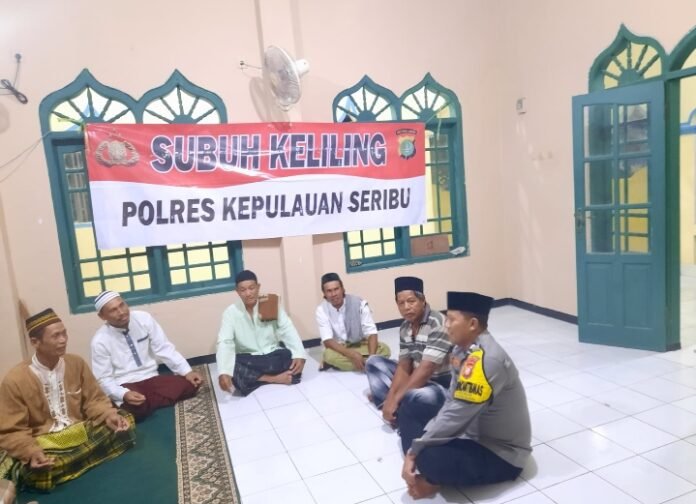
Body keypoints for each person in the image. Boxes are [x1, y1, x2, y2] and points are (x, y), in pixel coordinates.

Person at [399, 292, 532, 499]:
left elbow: (456, 415)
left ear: (472, 324)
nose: (446, 326)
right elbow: (452, 401)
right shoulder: (462, 350)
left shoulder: (487, 360)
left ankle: (429, 476)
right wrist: (422, 441)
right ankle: (421, 459)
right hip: (469, 431)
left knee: (428, 456)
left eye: (451, 320)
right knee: (409, 404)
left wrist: (416, 449)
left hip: (500, 452)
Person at [0, 309, 135, 491]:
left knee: (125, 419)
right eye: (56, 336)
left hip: (79, 430)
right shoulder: (15, 379)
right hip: (44, 442)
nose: (63, 340)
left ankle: (63, 465)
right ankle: (60, 463)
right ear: (35, 342)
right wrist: (31, 452)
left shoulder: (76, 363)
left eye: (64, 333)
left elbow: (94, 400)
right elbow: (12, 430)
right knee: (29, 468)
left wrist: (108, 415)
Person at [90, 290, 202, 421]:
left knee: (190, 386)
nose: (121, 312)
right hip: (126, 384)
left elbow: (164, 348)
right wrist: (124, 394)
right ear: (102, 316)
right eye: (113, 310)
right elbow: (103, 379)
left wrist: (187, 371)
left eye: (122, 305)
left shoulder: (144, 319)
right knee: (136, 405)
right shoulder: (99, 341)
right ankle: (149, 402)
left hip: (152, 378)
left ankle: (146, 404)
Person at [365, 276, 452, 427]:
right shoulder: (405, 327)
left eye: (411, 301)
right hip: (415, 376)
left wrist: (397, 398)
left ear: (422, 300)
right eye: (401, 303)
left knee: (420, 396)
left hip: (439, 384)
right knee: (373, 362)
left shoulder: (437, 322)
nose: (406, 307)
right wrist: (391, 397)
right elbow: (404, 366)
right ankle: (393, 407)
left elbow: (427, 368)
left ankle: (399, 408)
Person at [216, 270, 307, 396]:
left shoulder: (269, 303)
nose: (248, 293)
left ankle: (255, 379)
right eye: (243, 290)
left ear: (258, 287)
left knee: (291, 357)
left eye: (251, 288)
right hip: (250, 358)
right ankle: (275, 378)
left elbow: (287, 329)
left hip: (272, 354)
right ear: (237, 291)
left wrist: (299, 354)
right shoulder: (230, 313)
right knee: (233, 366)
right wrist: (224, 372)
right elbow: (225, 342)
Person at [315, 272, 391, 371]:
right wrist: (352, 354)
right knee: (328, 355)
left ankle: (363, 363)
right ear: (324, 294)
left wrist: (372, 358)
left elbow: (371, 332)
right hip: (338, 348)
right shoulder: (321, 310)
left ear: (342, 289)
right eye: (329, 291)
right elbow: (328, 341)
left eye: (336, 289)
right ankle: (364, 363)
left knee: (385, 349)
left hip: (359, 343)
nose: (333, 294)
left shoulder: (359, 303)